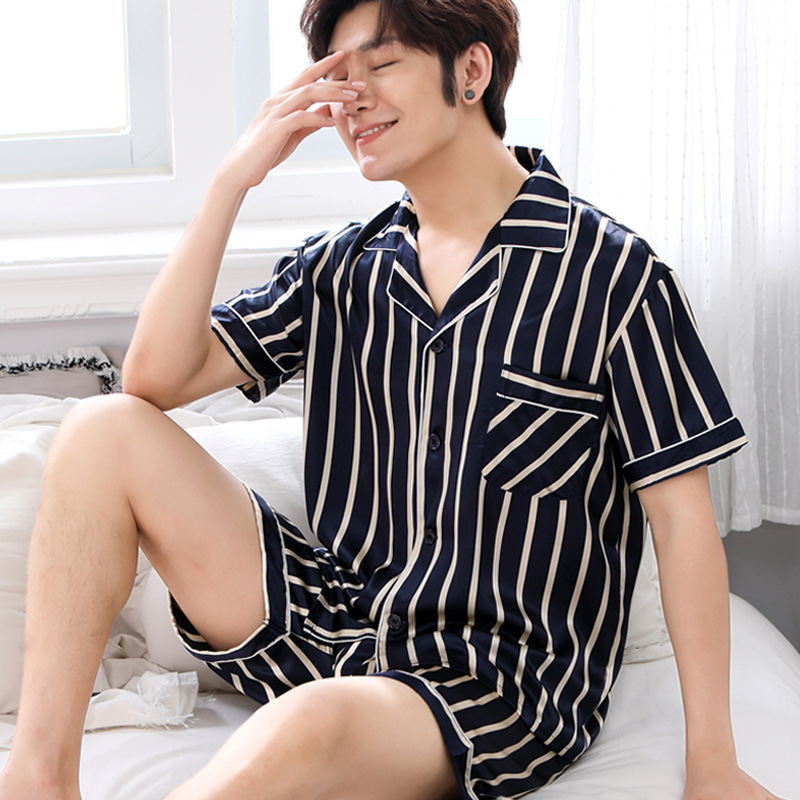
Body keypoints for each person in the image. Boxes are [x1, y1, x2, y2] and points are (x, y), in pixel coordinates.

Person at [0, 1, 786, 799]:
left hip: (490, 684)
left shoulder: (612, 276)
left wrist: (712, 762)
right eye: (340, 81)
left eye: (380, 66)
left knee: (310, 724)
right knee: (102, 427)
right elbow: (154, 382)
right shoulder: (345, 268)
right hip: (334, 620)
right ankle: (40, 782)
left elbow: (682, 524)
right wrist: (234, 178)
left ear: (470, 72)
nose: (354, 102)